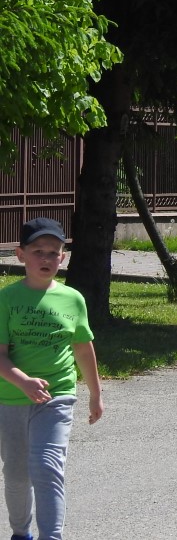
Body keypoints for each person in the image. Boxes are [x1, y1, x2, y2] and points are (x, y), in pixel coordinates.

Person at [0, 218, 103, 540]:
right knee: (16, 474)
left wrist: (95, 394)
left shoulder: (72, 299)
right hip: (12, 397)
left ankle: (51, 536)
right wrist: (23, 382)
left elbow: (83, 348)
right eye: (38, 251)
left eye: (53, 252)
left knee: (46, 467)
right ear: (20, 255)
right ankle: (21, 533)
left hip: (57, 395)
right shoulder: (7, 299)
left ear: (63, 257)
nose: (46, 258)